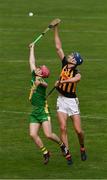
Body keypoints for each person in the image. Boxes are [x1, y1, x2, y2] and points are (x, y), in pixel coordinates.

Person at [52, 24, 87, 164]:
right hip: (61, 100)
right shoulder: (64, 63)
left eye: (72, 57)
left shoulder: (76, 73)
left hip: (72, 102)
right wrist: (55, 29)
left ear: (75, 61)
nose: (70, 56)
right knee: (62, 127)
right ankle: (67, 154)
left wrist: (61, 82)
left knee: (78, 131)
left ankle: (82, 147)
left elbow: (76, 79)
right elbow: (58, 47)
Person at [28, 43, 67, 165]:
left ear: (42, 74)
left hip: (43, 110)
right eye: (38, 68)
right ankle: (45, 152)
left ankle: (62, 145)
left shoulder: (40, 80)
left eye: (40, 69)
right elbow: (31, 62)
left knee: (48, 135)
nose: (37, 68)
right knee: (32, 134)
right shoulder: (35, 75)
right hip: (35, 111)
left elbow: (45, 85)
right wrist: (32, 48)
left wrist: (39, 83)